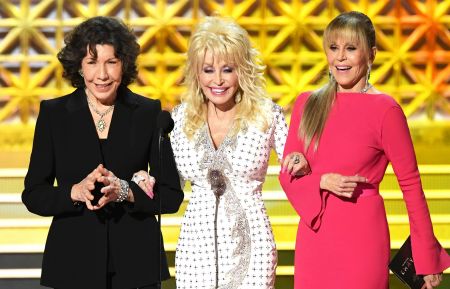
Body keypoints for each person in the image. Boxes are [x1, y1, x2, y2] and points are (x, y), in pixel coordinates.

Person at [279, 11, 450, 289]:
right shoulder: (306, 103)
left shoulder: (386, 110)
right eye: (334, 48)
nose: (340, 58)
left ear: (371, 54)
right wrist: (321, 181)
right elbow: (288, 176)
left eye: (351, 48)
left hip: (362, 239)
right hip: (315, 237)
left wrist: (426, 256)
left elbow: (411, 186)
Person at [21, 16, 184, 289]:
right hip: (72, 263)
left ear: (125, 64)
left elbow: (170, 196)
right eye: (92, 62)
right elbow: (34, 193)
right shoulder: (54, 114)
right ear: (80, 67)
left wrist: (126, 191)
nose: (102, 74)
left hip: (136, 265)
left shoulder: (148, 113)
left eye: (112, 62)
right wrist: (75, 192)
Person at [167, 15, 309, 289]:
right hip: (195, 251)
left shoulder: (266, 115)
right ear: (196, 72)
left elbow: (295, 161)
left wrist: (300, 160)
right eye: (208, 70)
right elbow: (168, 181)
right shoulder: (181, 118)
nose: (217, 80)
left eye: (227, 69)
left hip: (253, 245)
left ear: (242, 70)